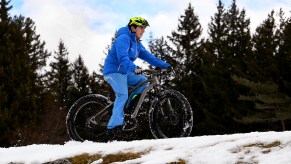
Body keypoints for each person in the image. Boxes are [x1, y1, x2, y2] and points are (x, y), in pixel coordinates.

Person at [102, 16, 170, 140]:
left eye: (144, 28)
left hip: (125, 72)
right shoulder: (123, 39)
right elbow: (123, 58)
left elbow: (149, 57)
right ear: (133, 27)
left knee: (144, 82)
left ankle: (127, 111)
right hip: (113, 72)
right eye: (141, 27)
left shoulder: (137, 44)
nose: (143, 30)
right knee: (122, 94)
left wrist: (165, 65)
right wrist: (134, 68)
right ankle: (113, 127)